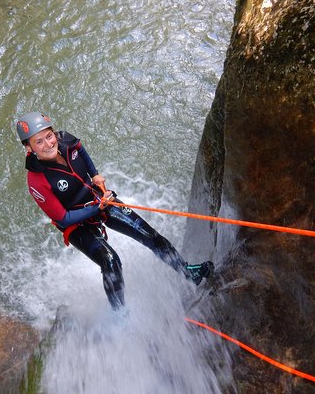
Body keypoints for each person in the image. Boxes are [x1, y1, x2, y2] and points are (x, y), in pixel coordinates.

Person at [16, 111, 213, 309]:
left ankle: (188, 272)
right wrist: (97, 207)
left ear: (54, 133)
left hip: (98, 199)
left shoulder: (64, 139)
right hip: (77, 224)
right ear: (29, 148)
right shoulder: (36, 181)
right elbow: (64, 218)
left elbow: (80, 149)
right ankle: (120, 315)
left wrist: (95, 174)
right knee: (111, 262)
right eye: (39, 142)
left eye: (49, 136)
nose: (48, 144)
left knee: (149, 235)